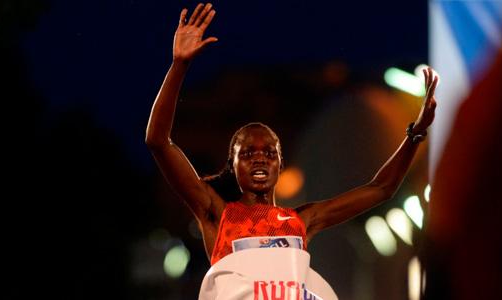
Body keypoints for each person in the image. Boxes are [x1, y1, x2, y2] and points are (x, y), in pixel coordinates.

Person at [146, 2, 438, 268]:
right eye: (247, 153)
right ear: (232, 166)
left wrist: (416, 133)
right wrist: (179, 65)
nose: (259, 159)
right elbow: (158, 141)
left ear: (280, 164)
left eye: (269, 153)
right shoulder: (216, 213)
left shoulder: (301, 220)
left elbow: (381, 189)